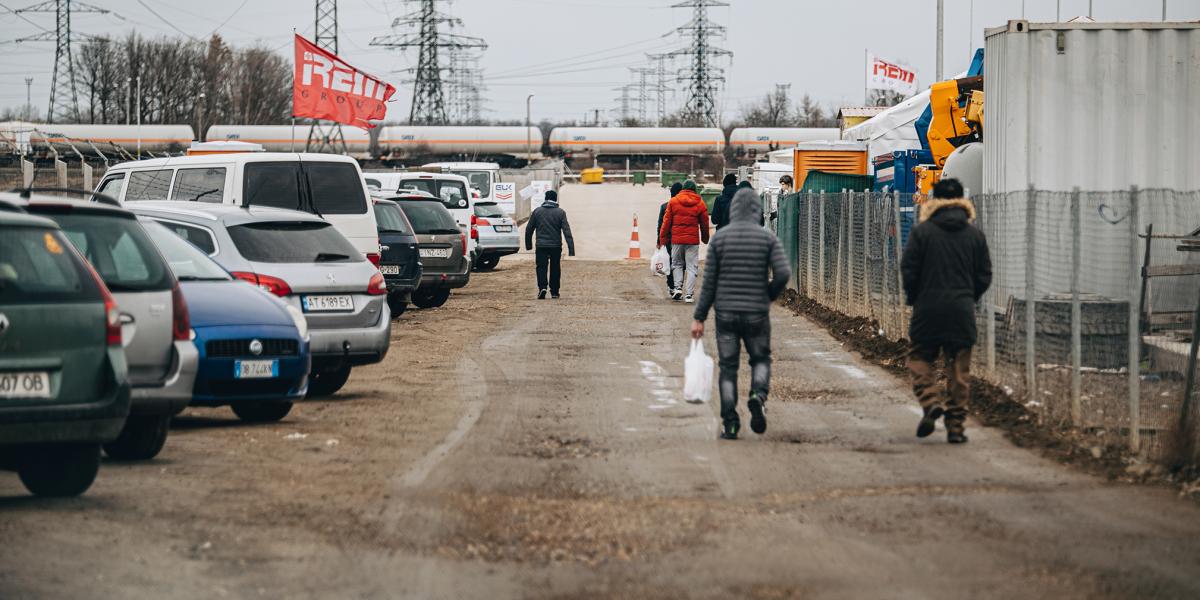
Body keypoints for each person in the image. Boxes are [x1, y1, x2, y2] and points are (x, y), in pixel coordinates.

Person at [691, 188, 791, 440]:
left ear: (733, 209)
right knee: (760, 360)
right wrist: (767, 296)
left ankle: (731, 424)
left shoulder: (720, 239)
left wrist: (699, 317)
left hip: (725, 313)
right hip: (756, 312)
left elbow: (709, 283)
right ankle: (758, 395)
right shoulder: (767, 238)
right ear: (757, 209)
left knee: (728, 368)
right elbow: (783, 273)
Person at [900, 178, 992, 444]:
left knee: (919, 357)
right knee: (958, 370)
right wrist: (968, 296)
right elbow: (984, 274)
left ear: (934, 201)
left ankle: (930, 401)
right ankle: (955, 428)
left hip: (927, 308)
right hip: (961, 310)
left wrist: (915, 297)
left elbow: (909, 270)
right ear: (962, 202)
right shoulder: (975, 235)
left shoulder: (922, 232)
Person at [658, 180, 710, 303]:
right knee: (692, 267)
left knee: (677, 264)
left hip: (676, 240)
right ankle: (689, 295)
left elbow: (666, 222)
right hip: (692, 241)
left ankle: (677, 288)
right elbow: (704, 223)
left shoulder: (673, 201)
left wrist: (663, 237)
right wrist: (705, 237)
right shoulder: (700, 203)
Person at [524, 189, 576, 299]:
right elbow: (567, 231)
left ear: (545, 198)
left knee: (541, 267)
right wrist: (571, 249)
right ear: (555, 199)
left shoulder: (537, 211)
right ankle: (555, 292)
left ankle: (542, 287)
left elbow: (529, 229)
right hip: (556, 246)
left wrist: (529, 245)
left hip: (541, 245)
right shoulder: (560, 212)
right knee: (555, 267)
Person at [656, 182, 683, 295]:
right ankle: (678, 286)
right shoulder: (685, 205)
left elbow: (661, 225)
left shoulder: (664, 206)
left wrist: (659, 240)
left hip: (669, 240)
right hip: (683, 239)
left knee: (671, 262)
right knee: (681, 263)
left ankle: (672, 286)